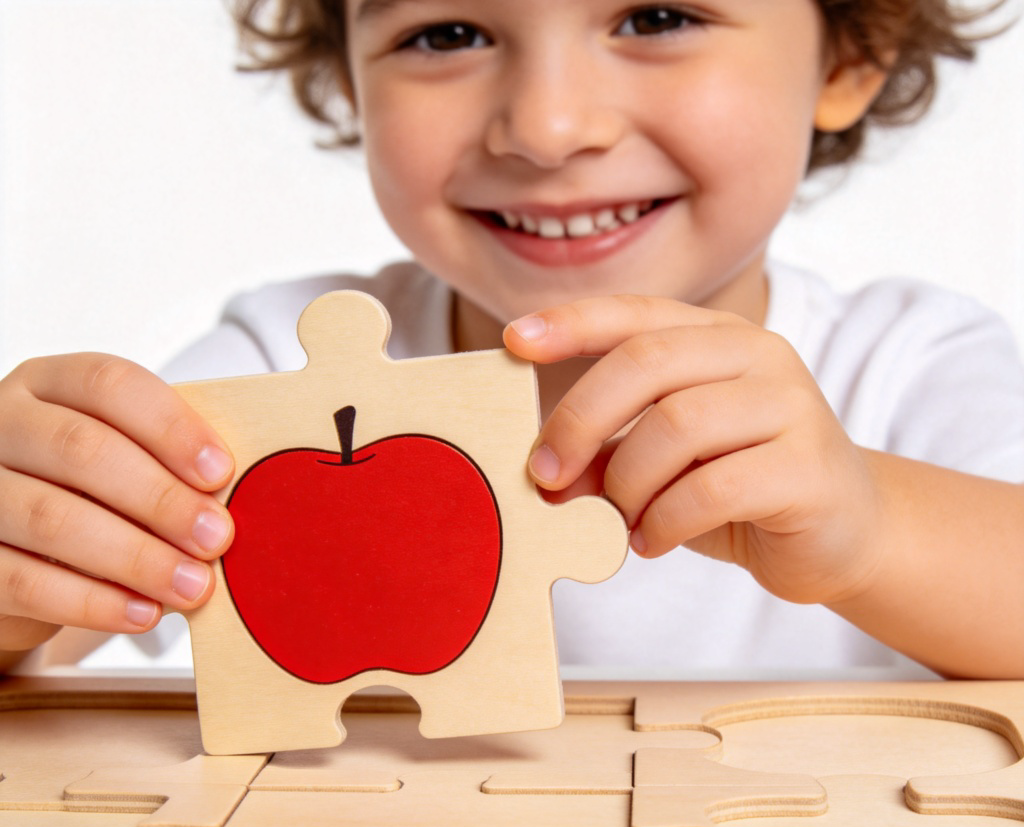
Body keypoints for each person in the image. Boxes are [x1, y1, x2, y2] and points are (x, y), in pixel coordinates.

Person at [1, 0, 1021, 680]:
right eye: (446, 32)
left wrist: (871, 528)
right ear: (350, 78)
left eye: (655, 15)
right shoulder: (278, 368)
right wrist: (25, 565)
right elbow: (56, 621)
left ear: (849, 54)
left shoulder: (909, 366)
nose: (547, 125)